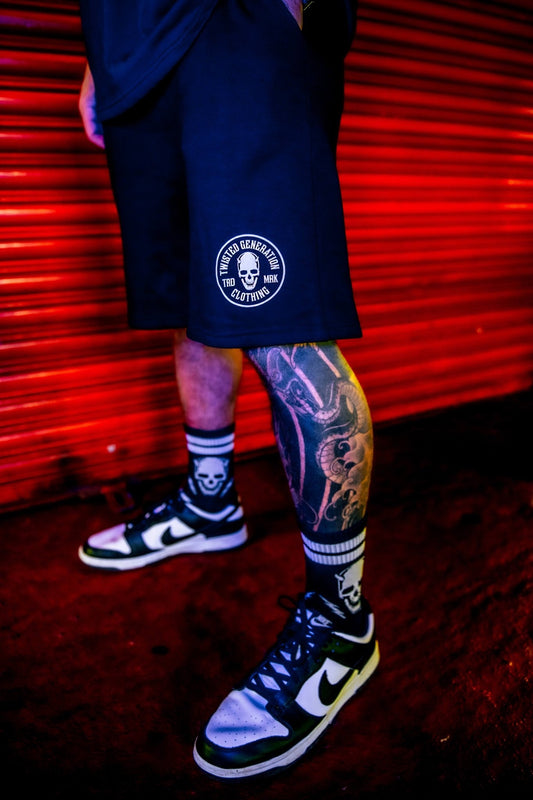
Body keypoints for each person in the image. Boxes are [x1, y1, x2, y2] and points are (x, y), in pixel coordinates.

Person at [77, 0, 378, 779]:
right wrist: (99, 60)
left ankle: (341, 620)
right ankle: (212, 503)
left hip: (234, 26)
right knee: (191, 303)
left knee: (279, 321)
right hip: (132, 58)